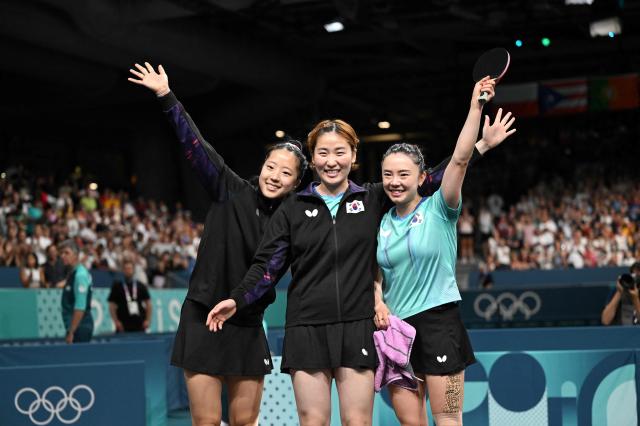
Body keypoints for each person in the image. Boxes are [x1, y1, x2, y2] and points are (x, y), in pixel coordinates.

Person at [207, 78, 504, 425]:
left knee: (358, 422)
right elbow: (268, 266)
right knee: (314, 421)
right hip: (307, 327)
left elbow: (435, 177)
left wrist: (480, 146)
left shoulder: (374, 198)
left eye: (339, 152)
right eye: (322, 152)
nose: (331, 160)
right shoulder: (292, 209)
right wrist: (238, 298)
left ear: (354, 155)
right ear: (312, 159)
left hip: (358, 327)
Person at [128, 61, 308, 426]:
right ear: (263, 165)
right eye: (272, 166)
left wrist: (237, 301)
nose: (275, 176)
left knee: (244, 423)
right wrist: (167, 96)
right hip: (201, 317)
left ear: (295, 183)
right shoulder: (229, 189)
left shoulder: (290, 221)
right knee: (206, 422)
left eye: (286, 173)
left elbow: (268, 274)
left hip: (246, 322)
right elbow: (195, 145)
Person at [373, 79, 515, 426]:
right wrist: (377, 301)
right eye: (387, 174)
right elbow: (377, 272)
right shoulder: (381, 222)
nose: (394, 181)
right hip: (396, 332)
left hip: (440, 326)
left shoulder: (441, 207)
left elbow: (461, 160)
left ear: (422, 177)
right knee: (410, 423)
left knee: (449, 419)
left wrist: (475, 107)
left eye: (404, 174)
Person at [59, 239, 94, 344]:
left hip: (80, 326)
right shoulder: (73, 273)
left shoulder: (80, 275)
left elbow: (80, 306)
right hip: (75, 326)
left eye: (66, 253)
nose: (62, 256)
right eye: (61, 253)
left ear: (76, 255)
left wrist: (71, 332)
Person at [108, 259, 152, 332]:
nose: (128, 270)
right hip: (123, 324)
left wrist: (147, 320)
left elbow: (148, 304)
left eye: (130, 268)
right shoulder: (117, 286)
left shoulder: (140, 285)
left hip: (139, 323)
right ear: (123, 270)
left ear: (133, 270)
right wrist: (116, 321)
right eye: (126, 269)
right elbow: (112, 306)